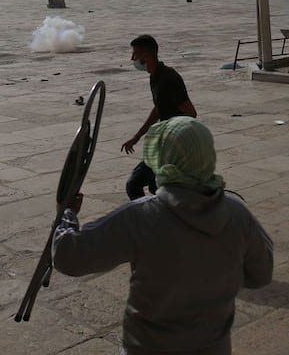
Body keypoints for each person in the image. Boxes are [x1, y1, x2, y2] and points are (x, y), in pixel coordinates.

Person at [53, 116, 274, 355]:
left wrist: (66, 216)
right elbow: (260, 274)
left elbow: (69, 256)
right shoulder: (237, 214)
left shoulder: (141, 215)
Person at [121, 34, 196, 199]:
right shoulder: (155, 77)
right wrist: (137, 137)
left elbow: (191, 113)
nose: (132, 58)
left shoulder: (169, 78)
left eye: (135, 54)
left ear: (146, 56)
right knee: (157, 189)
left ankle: (150, 220)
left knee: (134, 185)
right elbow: (158, 110)